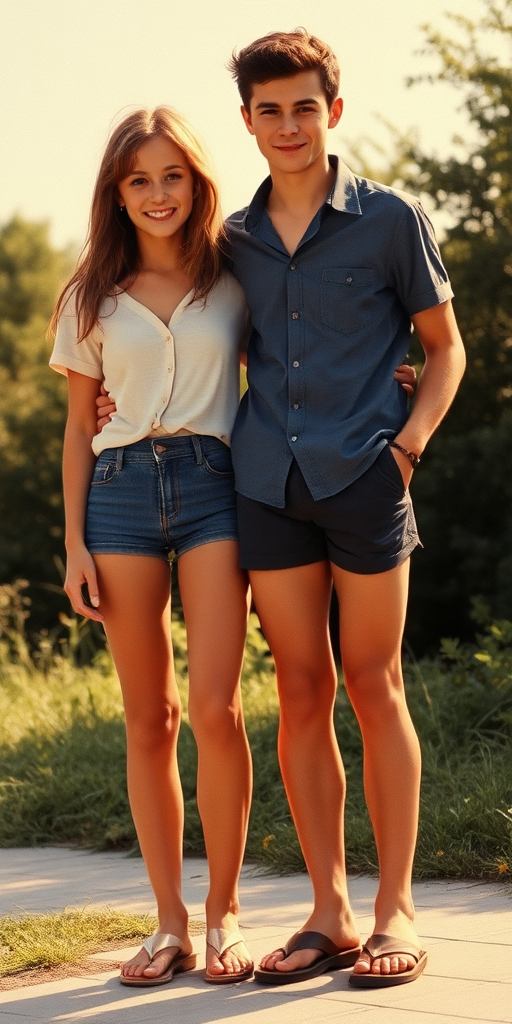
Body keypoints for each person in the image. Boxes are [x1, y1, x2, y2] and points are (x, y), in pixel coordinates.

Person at [223, 30, 466, 988]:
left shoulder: (389, 220)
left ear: (334, 108)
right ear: (246, 120)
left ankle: (395, 906)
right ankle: (327, 912)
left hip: (366, 479)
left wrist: (408, 446)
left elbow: (445, 348)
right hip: (266, 489)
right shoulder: (228, 238)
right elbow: (187, 336)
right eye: (270, 110)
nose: (289, 125)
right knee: (300, 690)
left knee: (375, 684)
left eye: (304, 106)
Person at [49, 106, 255, 987]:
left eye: (172, 175)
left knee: (215, 708)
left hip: (216, 489)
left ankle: (225, 918)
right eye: (139, 179)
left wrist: (386, 378)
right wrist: (73, 546)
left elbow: (300, 358)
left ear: (196, 182)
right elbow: (73, 431)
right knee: (151, 718)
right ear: (116, 191)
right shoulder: (88, 294)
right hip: (119, 498)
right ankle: (168, 924)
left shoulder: (237, 276)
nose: (158, 193)